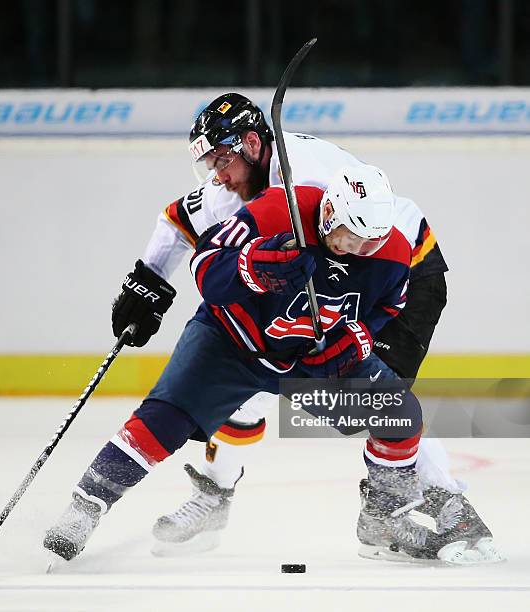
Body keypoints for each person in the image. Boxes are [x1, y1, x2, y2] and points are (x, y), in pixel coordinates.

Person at [111, 93, 497, 561]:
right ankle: (216, 494)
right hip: (336, 266)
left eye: (222, 159)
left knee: (376, 392)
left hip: (399, 273)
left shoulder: (308, 180)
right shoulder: (243, 175)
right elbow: (178, 221)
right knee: (254, 355)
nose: (217, 173)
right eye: (211, 162)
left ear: (252, 143)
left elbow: (359, 251)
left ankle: (443, 503)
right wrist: (147, 283)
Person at [44, 164, 469, 563]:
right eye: (348, 236)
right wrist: (255, 266)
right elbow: (206, 265)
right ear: (327, 212)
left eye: (368, 242)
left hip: (308, 357)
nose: (356, 249)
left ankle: (384, 518)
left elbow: (387, 307)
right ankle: (86, 505)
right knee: (165, 419)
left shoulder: (391, 252)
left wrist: (355, 338)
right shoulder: (277, 210)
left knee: (398, 413)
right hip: (232, 339)